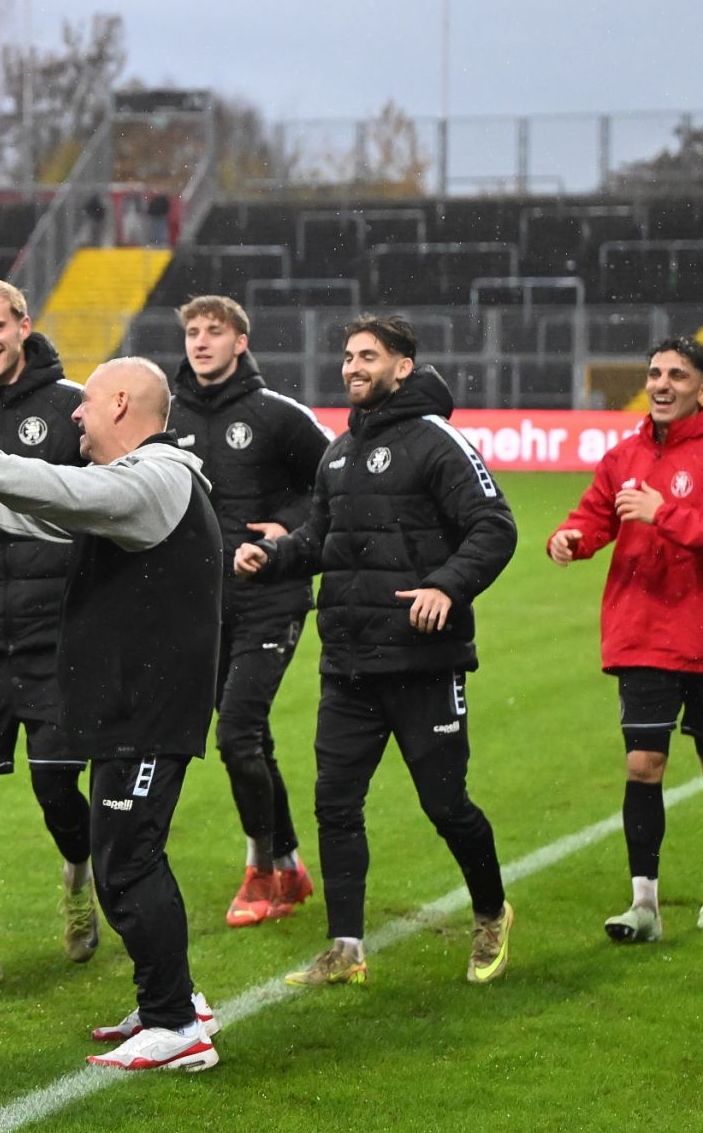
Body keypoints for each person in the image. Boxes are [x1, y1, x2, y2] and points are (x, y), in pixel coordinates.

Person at [0, 357, 224, 1073]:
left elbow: (58, 488)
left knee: (128, 864)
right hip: (129, 711)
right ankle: (175, 1000)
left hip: (147, 712)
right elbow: (27, 513)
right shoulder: (132, 488)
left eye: (88, 402)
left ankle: (176, 1026)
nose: (75, 413)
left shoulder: (157, 475)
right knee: (125, 858)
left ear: (122, 403)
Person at [236, 314, 518, 989]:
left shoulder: (437, 440)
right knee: (335, 804)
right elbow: (320, 539)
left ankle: (490, 912)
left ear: (402, 366)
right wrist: (274, 556)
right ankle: (345, 946)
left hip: (423, 662)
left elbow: (494, 524)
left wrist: (447, 585)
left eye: (368, 356)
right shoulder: (339, 451)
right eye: (348, 355)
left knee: (446, 805)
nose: (352, 367)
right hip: (349, 664)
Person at [547, 335, 703, 943]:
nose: (661, 384)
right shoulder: (625, 454)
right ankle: (644, 905)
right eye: (654, 373)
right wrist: (570, 538)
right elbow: (595, 514)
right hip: (642, 631)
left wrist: (663, 512)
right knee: (644, 765)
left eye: (676, 375)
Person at [0, 280, 96, 992]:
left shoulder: (71, 408)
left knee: (55, 784)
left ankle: (78, 874)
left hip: (52, 633)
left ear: (25, 326)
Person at [170, 295, 331, 928]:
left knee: (236, 734)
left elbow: (334, 483)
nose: (200, 341)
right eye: (192, 331)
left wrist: (287, 527)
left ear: (241, 341)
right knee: (251, 738)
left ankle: (261, 870)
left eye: (214, 331)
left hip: (271, 597)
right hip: (201, 603)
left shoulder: (278, 416)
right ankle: (290, 865)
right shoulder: (169, 414)